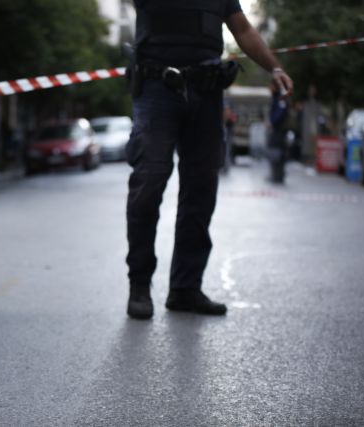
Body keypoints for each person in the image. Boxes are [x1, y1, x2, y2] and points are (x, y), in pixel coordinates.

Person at [125, 0, 293, 319]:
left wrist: (274, 68)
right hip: (156, 89)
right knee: (148, 184)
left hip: (206, 92)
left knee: (200, 192)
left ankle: (185, 289)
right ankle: (139, 286)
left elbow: (243, 29)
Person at [267, 80, 289, 183]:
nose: (269, 88)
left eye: (271, 86)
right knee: (275, 151)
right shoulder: (276, 97)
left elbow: (280, 112)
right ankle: (275, 174)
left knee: (277, 152)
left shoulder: (281, 97)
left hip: (280, 130)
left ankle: (278, 175)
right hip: (277, 130)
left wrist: (272, 122)